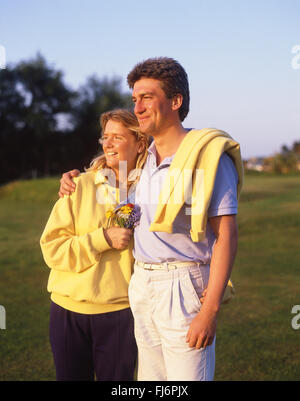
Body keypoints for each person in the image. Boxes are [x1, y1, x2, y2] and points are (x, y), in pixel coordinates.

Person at [59, 57, 244, 381]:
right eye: (135, 99)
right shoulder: (142, 162)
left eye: (147, 97)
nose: (139, 107)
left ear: (176, 101)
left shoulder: (207, 157)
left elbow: (226, 235)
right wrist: (76, 176)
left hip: (183, 285)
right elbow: (113, 169)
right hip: (142, 284)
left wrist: (210, 309)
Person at [40, 109, 149, 381]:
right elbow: (52, 249)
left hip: (121, 315)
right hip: (68, 311)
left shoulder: (153, 191)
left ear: (140, 143)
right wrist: (103, 239)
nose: (107, 144)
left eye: (117, 137)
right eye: (105, 137)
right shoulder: (78, 186)